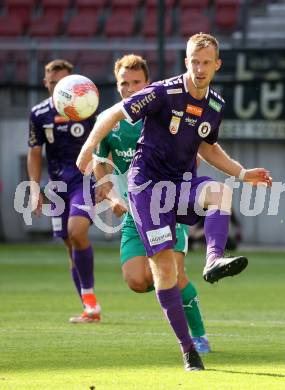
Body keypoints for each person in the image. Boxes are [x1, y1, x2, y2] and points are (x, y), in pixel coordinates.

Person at [77, 33, 272, 370]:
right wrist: (87, 148)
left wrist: (241, 173)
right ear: (186, 62)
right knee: (163, 270)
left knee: (220, 193)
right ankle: (188, 350)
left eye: (206, 62)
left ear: (216, 65)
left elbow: (208, 147)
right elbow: (109, 115)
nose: (199, 68)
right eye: (194, 62)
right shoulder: (162, 93)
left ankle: (212, 261)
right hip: (147, 191)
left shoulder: (215, 105)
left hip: (180, 185)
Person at [92, 54, 211, 353]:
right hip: (135, 213)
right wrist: (113, 196)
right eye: (124, 83)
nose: (130, 89)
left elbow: (193, 153)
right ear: (116, 84)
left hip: (167, 207)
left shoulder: (163, 112)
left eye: (137, 82)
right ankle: (167, 287)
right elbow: (100, 167)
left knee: (175, 274)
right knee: (136, 280)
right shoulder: (109, 120)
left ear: (148, 83)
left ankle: (198, 336)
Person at [27, 59, 101, 323]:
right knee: (70, 246)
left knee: (77, 231)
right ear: (46, 84)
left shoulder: (88, 108)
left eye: (67, 82)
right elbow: (35, 154)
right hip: (57, 186)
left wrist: (105, 180)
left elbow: (104, 146)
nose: (61, 87)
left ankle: (90, 302)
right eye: (55, 83)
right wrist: (35, 189)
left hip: (84, 180)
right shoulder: (39, 114)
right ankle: (89, 305)